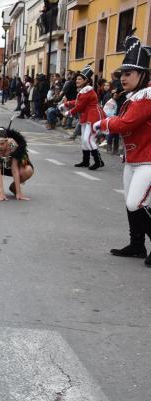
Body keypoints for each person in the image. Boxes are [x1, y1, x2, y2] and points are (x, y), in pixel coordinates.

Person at [95, 34, 151, 266]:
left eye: (129, 74)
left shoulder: (146, 98)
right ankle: (137, 245)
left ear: (142, 74)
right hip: (133, 159)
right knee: (131, 202)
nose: (123, 78)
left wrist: (105, 123)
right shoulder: (134, 97)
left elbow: (126, 123)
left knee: (135, 203)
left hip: (148, 160)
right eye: (122, 74)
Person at [59, 63, 106, 170]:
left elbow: (79, 106)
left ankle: (99, 161)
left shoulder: (87, 91)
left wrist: (68, 113)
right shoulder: (84, 91)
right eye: (77, 79)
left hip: (93, 116)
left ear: (86, 81)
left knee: (88, 139)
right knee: (84, 140)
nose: (77, 81)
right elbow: (78, 102)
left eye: (80, 79)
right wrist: (66, 104)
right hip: (87, 116)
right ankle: (85, 161)